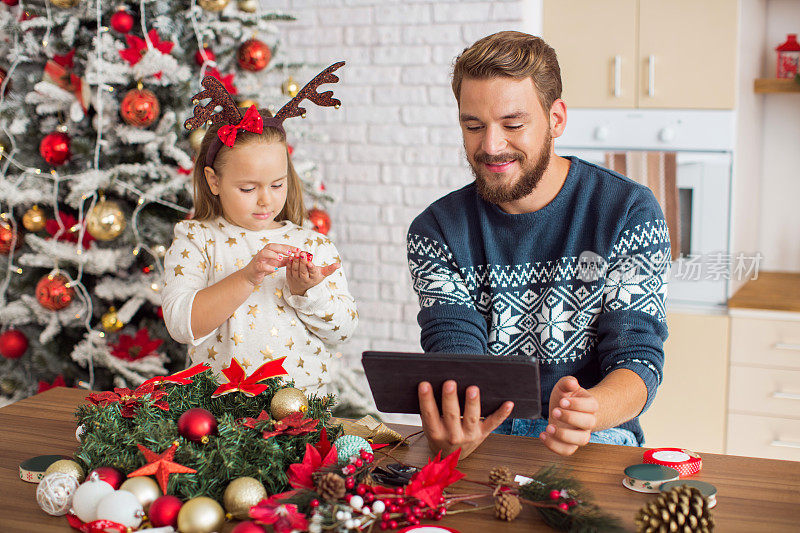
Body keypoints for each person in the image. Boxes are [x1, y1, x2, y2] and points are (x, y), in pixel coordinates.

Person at [407, 31, 669, 458]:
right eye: (473, 126)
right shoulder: (437, 229)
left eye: (513, 124)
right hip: (486, 431)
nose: (490, 146)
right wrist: (458, 420)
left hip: (595, 434)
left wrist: (588, 410)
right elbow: (455, 349)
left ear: (557, 119)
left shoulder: (627, 211)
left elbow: (638, 358)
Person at [162, 72, 357, 393]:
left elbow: (343, 331)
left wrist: (308, 292)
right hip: (220, 411)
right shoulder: (196, 238)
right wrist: (246, 277)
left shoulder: (313, 244)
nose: (266, 199)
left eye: (277, 184)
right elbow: (181, 325)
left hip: (304, 409)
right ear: (214, 181)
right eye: (248, 187)